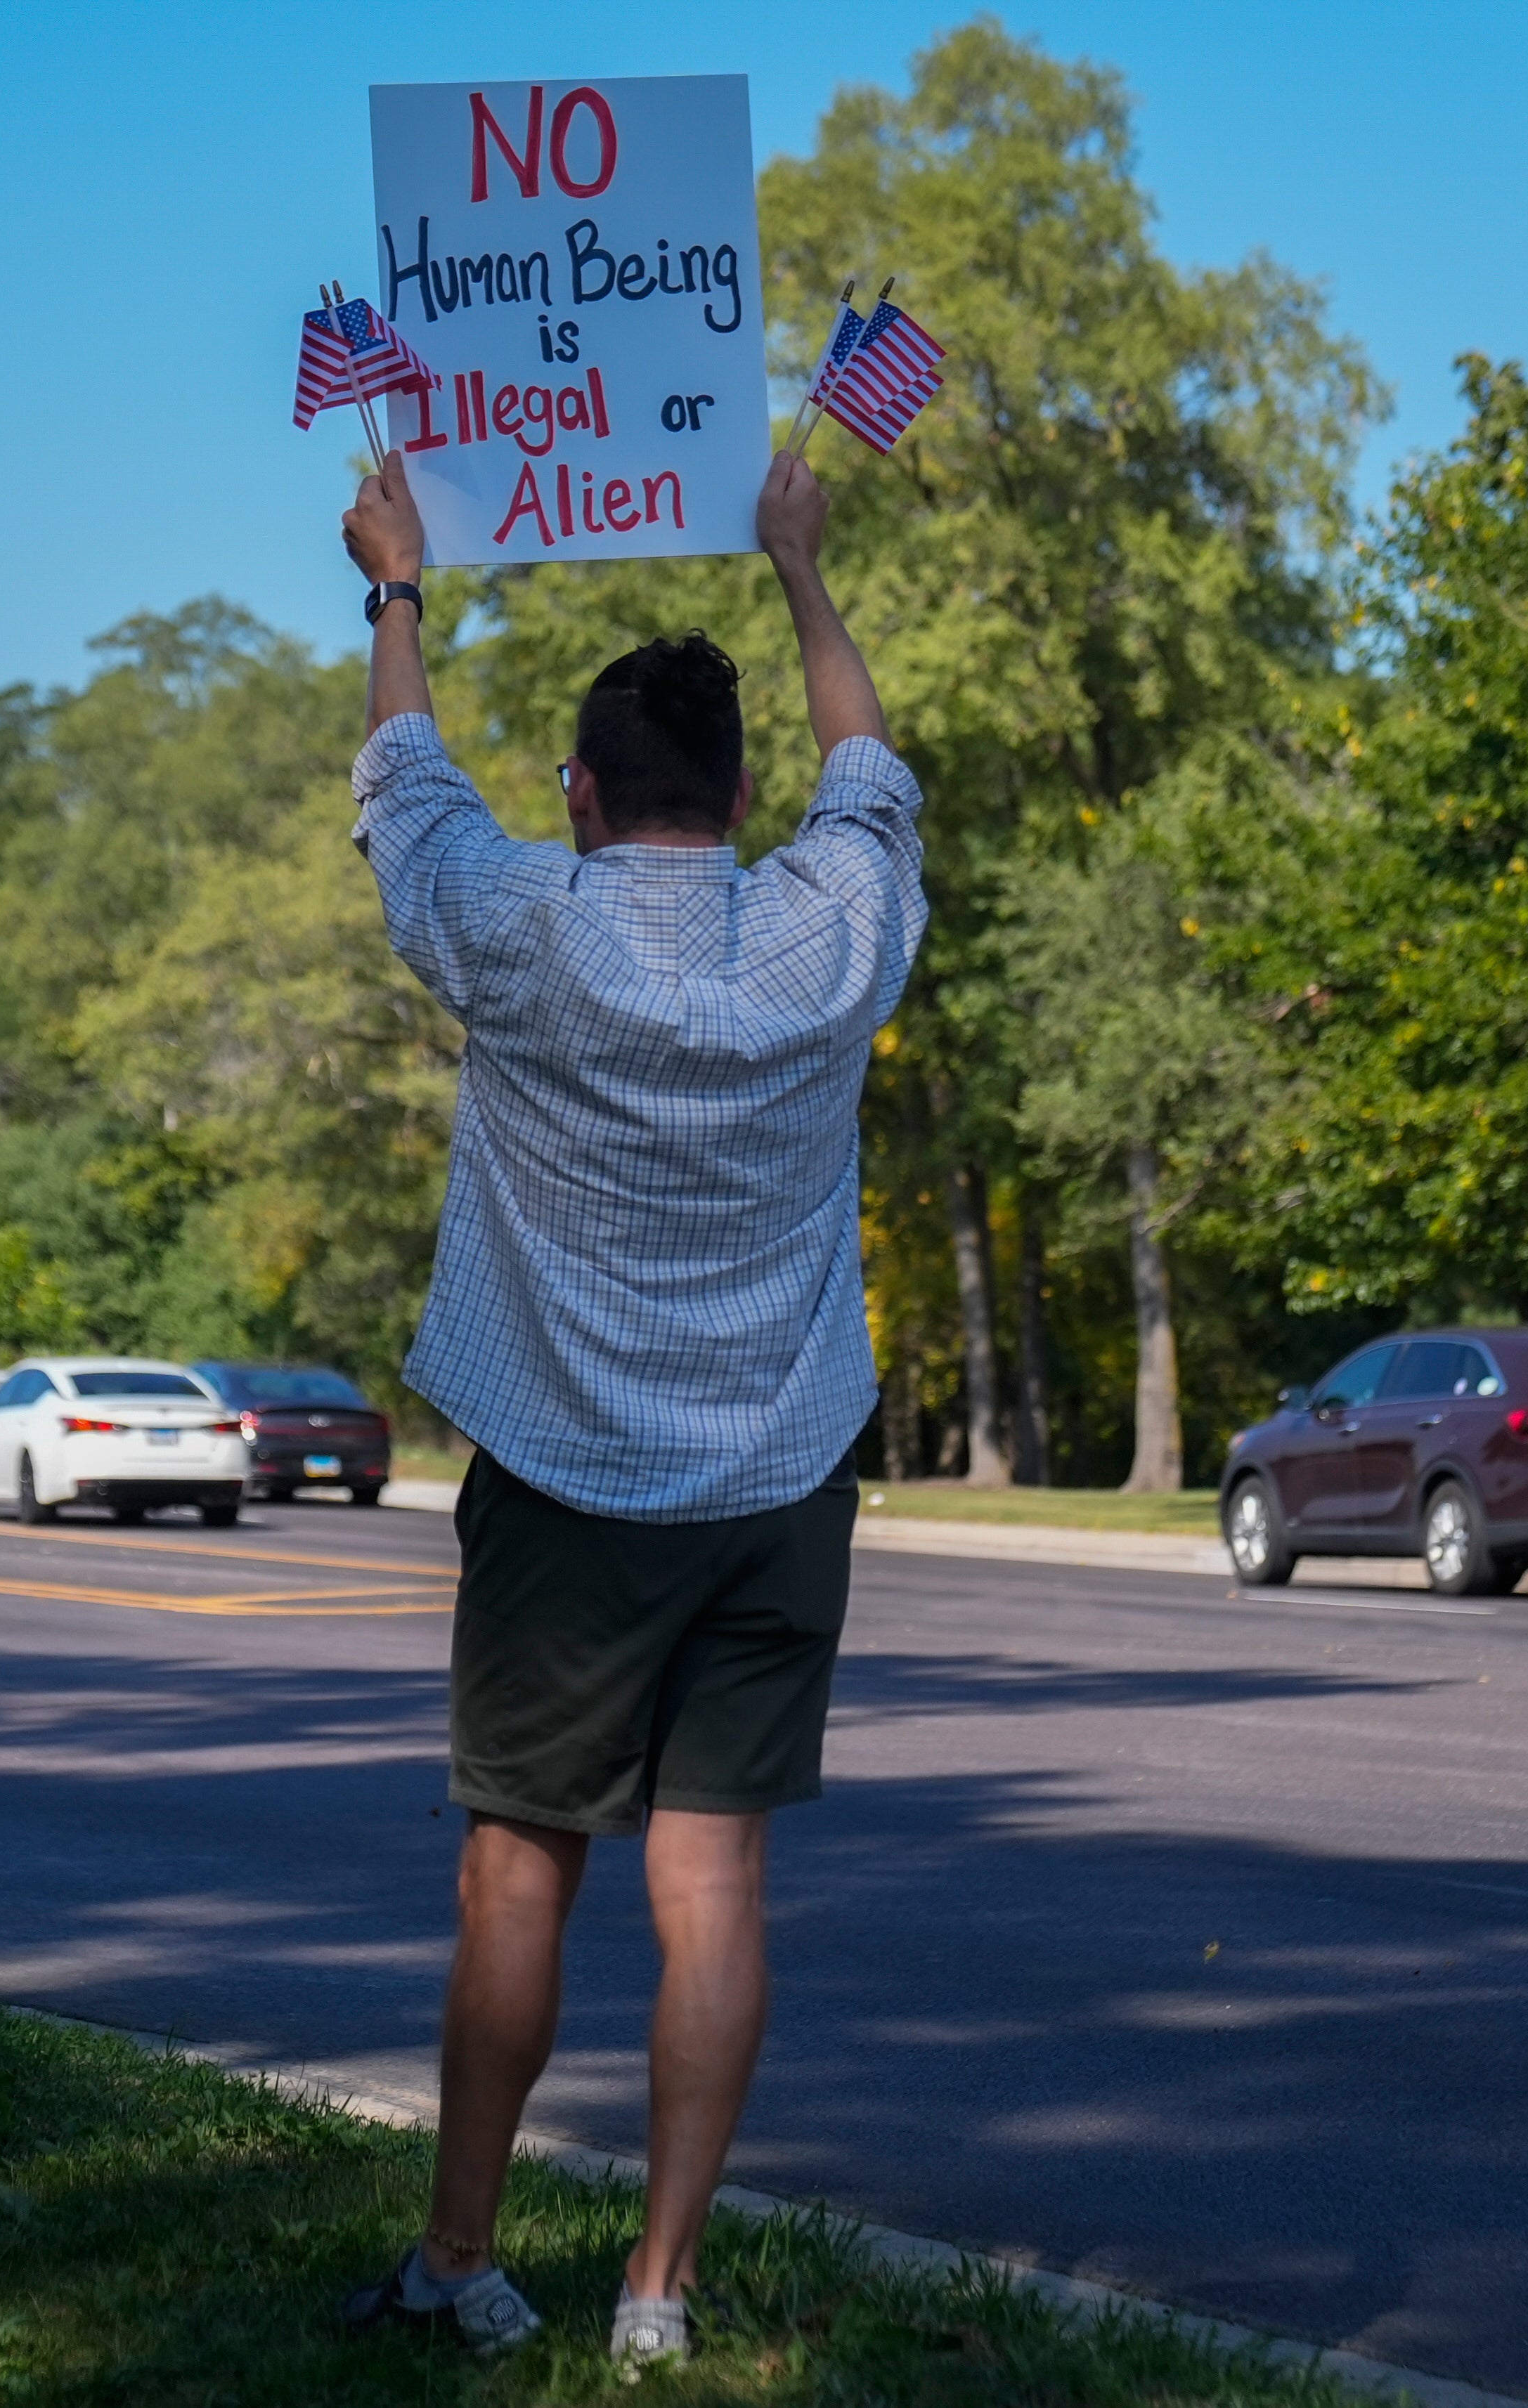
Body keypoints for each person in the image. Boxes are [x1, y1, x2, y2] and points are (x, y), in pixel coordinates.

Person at [334, 449, 925, 2369]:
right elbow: (871, 770)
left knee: (518, 1870)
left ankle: (459, 2261)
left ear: (580, 797)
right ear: (741, 800)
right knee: (713, 1880)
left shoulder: (522, 920)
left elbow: (404, 785)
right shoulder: (831, 928)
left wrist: (396, 585)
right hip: (775, 1479)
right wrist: (800, 566)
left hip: (566, 1483)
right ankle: (656, 2296)